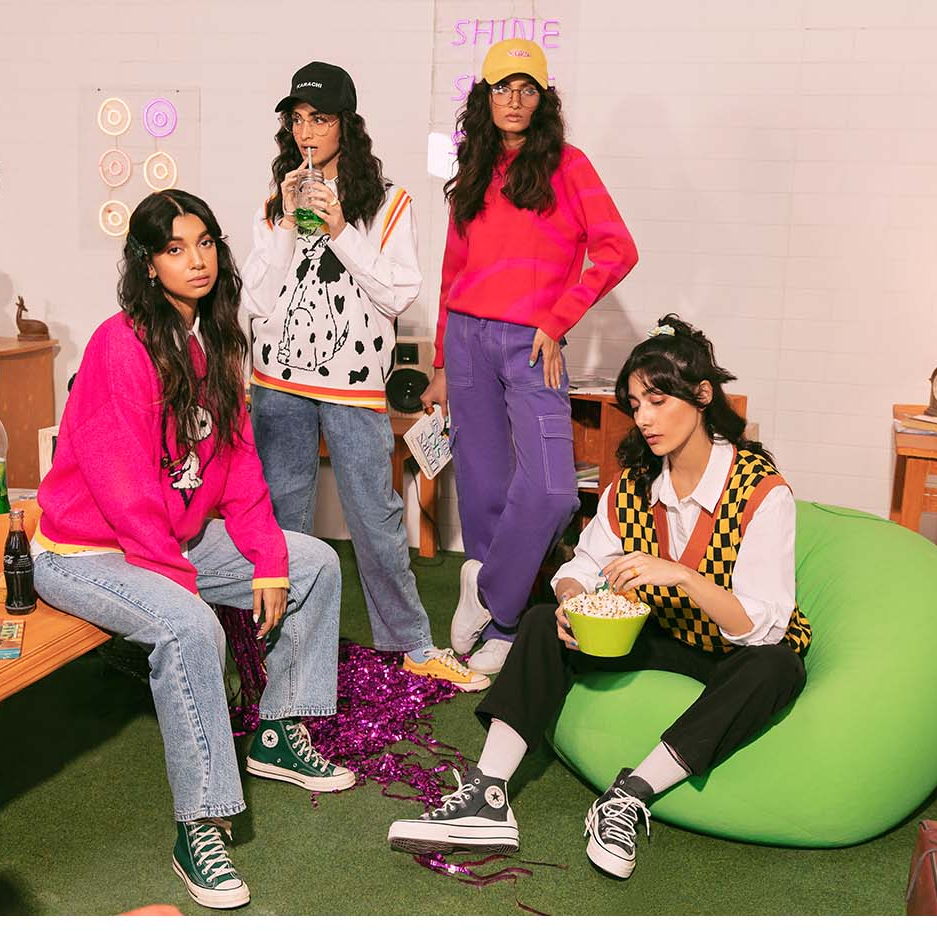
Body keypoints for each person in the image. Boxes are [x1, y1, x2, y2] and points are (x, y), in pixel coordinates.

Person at [389, 317, 811, 879]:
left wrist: (681, 577)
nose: (644, 418)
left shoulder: (761, 492)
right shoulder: (632, 485)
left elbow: (763, 624)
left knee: (779, 666)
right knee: (542, 620)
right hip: (662, 635)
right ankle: (488, 796)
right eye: (636, 405)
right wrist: (570, 601)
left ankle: (628, 796)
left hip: (731, 651)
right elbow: (581, 568)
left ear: (703, 396)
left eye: (658, 400)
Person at [33, 189, 354, 910]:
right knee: (188, 626)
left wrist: (268, 558)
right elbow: (123, 492)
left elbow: (237, 465)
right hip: (84, 551)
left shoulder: (212, 342)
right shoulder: (118, 346)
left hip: (165, 537)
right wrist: (182, 585)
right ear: (148, 265)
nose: (197, 260)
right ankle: (199, 825)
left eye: (204, 242)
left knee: (313, 565)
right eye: (175, 249)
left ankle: (277, 733)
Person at [242, 62, 488, 693]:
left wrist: (340, 231)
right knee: (282, 521)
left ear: (346, 125)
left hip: (352, 386)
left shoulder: (388, 202)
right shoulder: (274, 200)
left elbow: (399, 293)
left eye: (319, 119)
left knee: (376, 517)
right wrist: (286, 224)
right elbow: (256, 299)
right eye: (297, 120)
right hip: (276, 381)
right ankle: (278, 652)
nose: (306, 132)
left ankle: (410, 645)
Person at [423, 38, 639, 678]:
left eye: (527, 89)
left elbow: (617, 249)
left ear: (543, 99)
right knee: (484, 487)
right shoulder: (474, 169)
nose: (514, 100)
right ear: (484, 98)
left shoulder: (568, 166)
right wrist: (440, 362)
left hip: (531, 344)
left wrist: (558, 318)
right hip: (465, 341)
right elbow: (453, 269)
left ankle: (487, 591)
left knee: (550, 490)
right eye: (502, 88)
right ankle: (504, 628)